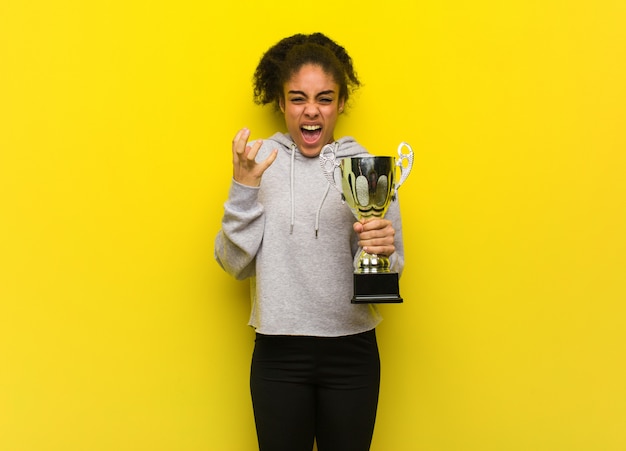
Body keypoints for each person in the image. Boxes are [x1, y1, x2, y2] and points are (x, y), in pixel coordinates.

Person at [214, 32, 405, 451]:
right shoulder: (259, 161)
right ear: (281, 103)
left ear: (339, 103)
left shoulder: (367, 166)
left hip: (352, 353)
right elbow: (232, 264)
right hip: (279, 354)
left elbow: (391, 271)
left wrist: (381, 249)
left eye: (324, 98)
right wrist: (243, 189)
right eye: (298, 98)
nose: (311, 111)